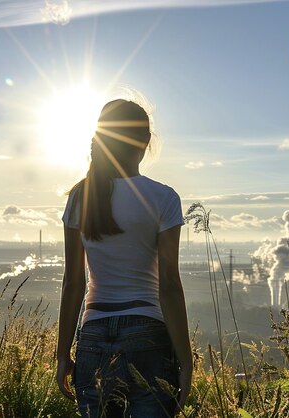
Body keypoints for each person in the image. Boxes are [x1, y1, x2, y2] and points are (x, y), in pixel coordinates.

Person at [56, 98, 192, 417]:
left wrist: (63, 354)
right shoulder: (163, 198)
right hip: (147, 333)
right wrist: (185, 362)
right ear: (145, 143)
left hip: (92, 336)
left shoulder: (80, 197)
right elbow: (169, 285)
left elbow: (73, 284)